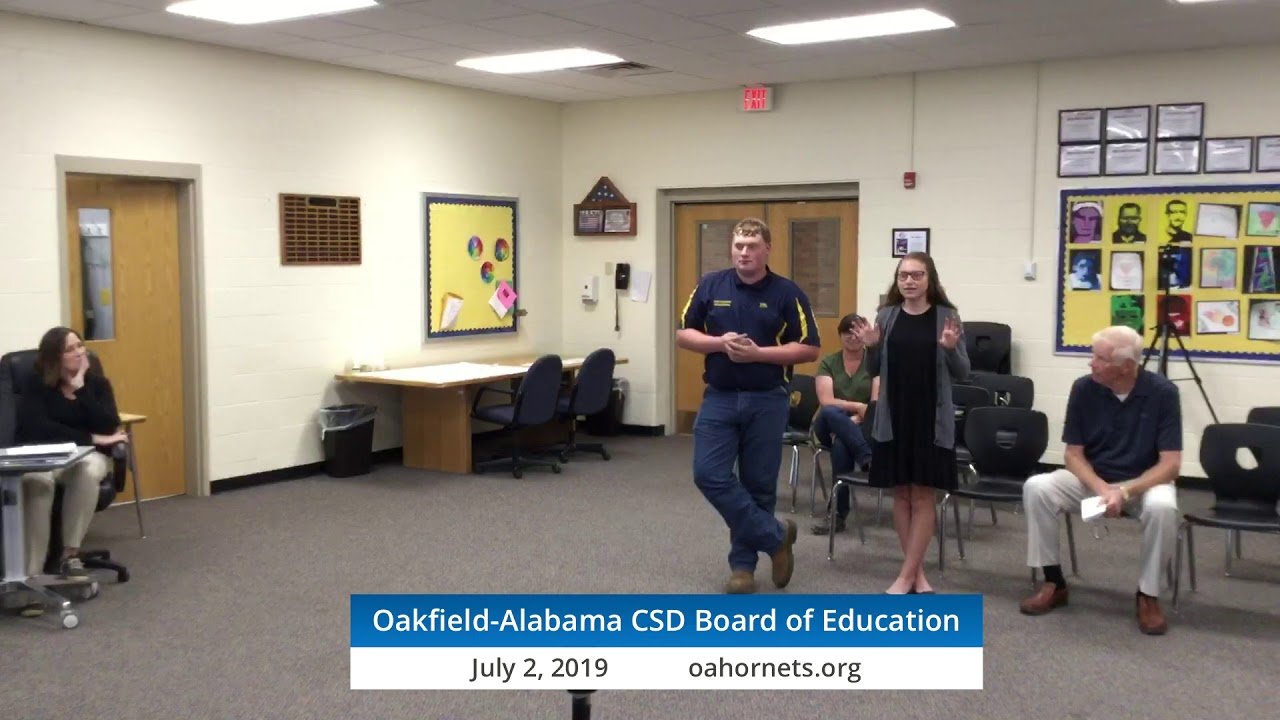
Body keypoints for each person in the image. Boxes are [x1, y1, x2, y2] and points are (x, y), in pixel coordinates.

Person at [677, 218, 821, 594]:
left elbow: (809, 348)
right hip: (720, 397)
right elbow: (683, 333)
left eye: (752, 246)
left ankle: (742, 567)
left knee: (758, 484)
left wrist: (759, 354)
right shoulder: (711, 285)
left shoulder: (787, 292)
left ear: (767, 249)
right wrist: (718, 343)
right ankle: (775, 536)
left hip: (767, 398)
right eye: (738, 245)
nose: (744, 252)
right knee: (708, 474)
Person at [1020, 325, 1181, 635]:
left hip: (1143, 484)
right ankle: (1054, 581)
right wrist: (1104, 489)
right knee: (1037, 487)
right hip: (1095, 481)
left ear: (1126, 366)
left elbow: (1171, 465)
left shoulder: (1163, 393)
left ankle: (1148, 595)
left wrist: (1126, 492)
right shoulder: (1084, 388)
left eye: (1100, 358)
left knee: (1163, 507)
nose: (1091, 363)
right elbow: (1072, 455)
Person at [853, 252, 969, 595]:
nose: (909, 281)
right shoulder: (886, 316)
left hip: (930, 417)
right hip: (894, 415)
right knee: (901, 493)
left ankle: (905, 577)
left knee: (922, 494)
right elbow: (873, 370)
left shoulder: (947, 316)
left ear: (930, 279)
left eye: (917, 275)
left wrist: (951, 348)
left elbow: (963, 372)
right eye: (903, 275)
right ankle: (915, 575)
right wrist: (871, 347)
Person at [15, 327, 126, 616]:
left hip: (86, 458)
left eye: (80, 345)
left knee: (88, 472)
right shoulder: (36, 384)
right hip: (46, 458)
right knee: (36, 481)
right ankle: (32, 578)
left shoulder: (97, 384)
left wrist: (81, 389)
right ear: (54, 357)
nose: (79, 352)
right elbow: (37, 428)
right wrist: (90, 437)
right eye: (70, 349)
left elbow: (108, 424)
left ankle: (70, 556)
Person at [809, 312, 874, 536]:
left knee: (841, 445)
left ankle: (837, 514)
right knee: (829, 412)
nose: (853, 337)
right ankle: (866, 457)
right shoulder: (829, 362)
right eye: (848, 332)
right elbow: (826, 401)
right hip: (827, 425)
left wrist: (854, 420)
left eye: (858, 332)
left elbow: (875, 404)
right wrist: (857, 407)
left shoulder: (875, 363)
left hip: (862, 425)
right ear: (840, 335)